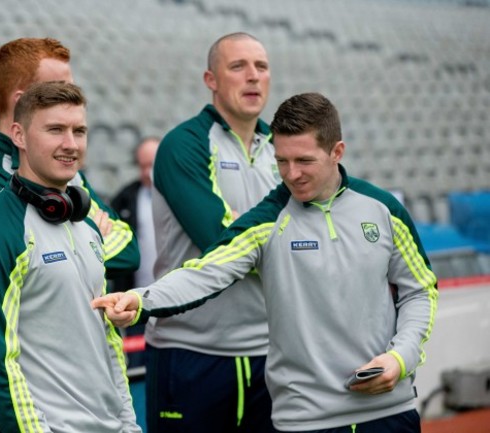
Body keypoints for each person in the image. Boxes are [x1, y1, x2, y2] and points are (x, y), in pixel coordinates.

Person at [93, 92, 439, 433]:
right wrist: (141, 300)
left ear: (337, 152)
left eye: (304, 161)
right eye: (282, 161)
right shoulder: (266, 220)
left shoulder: (383, 210)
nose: (291, 174)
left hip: (391, 411)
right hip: (304, 421)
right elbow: (204, 273)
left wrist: (401, 357)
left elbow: (420, 291)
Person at [0, 37, 139, 429]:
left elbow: (128, 251)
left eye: (79, 130)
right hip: (35, 413)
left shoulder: (67, 185)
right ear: (22, 108)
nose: (70, 144)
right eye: (55, 127)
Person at [136, 32, 280, 432]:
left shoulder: (283, 150)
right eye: (238, 66)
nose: (253, 76)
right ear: (211, 79)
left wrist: (246, 226)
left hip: (272, 352)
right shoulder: (184, 145)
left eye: (261, 66)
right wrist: (287, 238)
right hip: (192, 352)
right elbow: (222, 242)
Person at [109, 136, 160, 367]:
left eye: (153, 165)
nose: (148, 172)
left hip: (179, 302)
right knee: (140, 367)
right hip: (137, 303)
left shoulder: (181, 196)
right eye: (143, 166)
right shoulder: (125, 198)